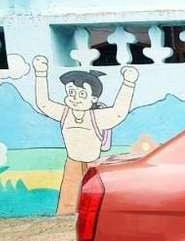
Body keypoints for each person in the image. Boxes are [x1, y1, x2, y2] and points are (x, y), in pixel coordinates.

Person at [32, 56, 139, 215]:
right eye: (71, 92)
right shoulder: (65, 113)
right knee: (68, 200)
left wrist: (128, 84)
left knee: (100, 199)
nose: (75, 98)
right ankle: (64, 221)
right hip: (72, 163)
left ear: (93, 98)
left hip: (94, 164)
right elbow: (43, 104)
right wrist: (41, 74)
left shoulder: (97, 117)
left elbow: (119, 112)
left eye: (82, 94)